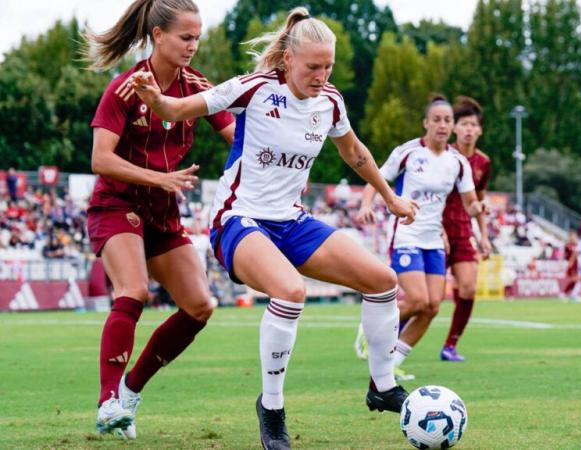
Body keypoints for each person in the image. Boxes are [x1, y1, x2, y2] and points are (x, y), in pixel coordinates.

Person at [130, 7, 417, 449]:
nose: (322, 76)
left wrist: (391, 196)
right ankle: (273, 407)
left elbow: (355, 152)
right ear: (288, 60)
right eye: (313, 67)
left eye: (328, 67)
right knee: (290, 290)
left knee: (382, 281)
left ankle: (381, 385)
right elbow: (180, 107)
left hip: (290, 219)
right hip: (238, 220)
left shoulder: (331, 102)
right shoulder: (255, 89)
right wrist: (156, 100)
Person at [85, 0, 235, 439]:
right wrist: (159, 177)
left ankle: (130, 391)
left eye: (197, 38)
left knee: (201, 305)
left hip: (163, 214)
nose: (193, 46)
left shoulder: (195, 86)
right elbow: (100, 159)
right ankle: (106, 401)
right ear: (158, 37)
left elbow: (233, 135)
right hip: (117, 206)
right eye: (186, 37)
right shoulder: (124, 89)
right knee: (133, 291)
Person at [357, 95, 484, 380]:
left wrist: (479, 208)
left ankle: (392, 363)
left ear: (452, 126)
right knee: (416, 300)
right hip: (406, 233)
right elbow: (377, 178)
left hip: (433, 240)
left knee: (432, 306)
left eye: (447, 120)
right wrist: (366, 205)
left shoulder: (457, 162)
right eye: (436, 119)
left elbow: (470, 202)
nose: (442, 125)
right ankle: (370, 333)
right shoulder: (408, 152)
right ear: (426, 123)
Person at [440, 96, 492, 362]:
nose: (469, 129)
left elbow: (479, 200)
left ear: (480, 130)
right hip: (436, 230)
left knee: (469, 288)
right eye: (464, 124)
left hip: (463, 232)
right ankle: (390, 337)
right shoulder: (443, 156)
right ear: (455, 128)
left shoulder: (483, 163)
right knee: (429, 300)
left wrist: (484, 235)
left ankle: (450, 345)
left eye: (474, 125)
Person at [559, 230, 579, 302]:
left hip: (576, 264)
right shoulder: (568, 245)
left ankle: (572, 295)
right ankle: (564, 293)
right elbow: (566, 255)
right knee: (574, 279)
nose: (575, 238)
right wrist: (569, 262)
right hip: (572, 264)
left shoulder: (576, 245)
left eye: (575, 236)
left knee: (576, 280)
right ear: (570, 237)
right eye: (573, 236)